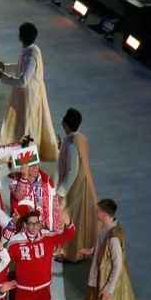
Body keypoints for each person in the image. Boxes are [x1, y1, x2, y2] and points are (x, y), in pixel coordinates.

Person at [75, 198, 150, 300]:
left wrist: (108, 288)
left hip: (108, 283)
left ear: (103, 214)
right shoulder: (108, 229)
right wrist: (92, 251)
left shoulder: (114, 237)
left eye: (97, 211)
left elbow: (117, 265)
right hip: (102, 279)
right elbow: (102, 246)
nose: (96, 213)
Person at [0, 22, 57, 162]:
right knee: (21, 125)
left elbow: (23, 80)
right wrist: (4, 67)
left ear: (22, 36)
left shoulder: (32, 55)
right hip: (23, 95)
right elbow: (21, 68)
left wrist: (2, 77)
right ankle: (20, 159)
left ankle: (26, 163)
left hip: (29, 96)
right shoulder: (29, 50)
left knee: (27, 127)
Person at [54, 108, 98, 262]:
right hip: (81, 186)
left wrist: (60, 192)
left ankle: (72, 254)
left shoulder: (72, 144)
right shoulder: (80, 138)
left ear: (65, 123)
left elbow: (72, 170)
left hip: (74, 189)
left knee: (71, 218)